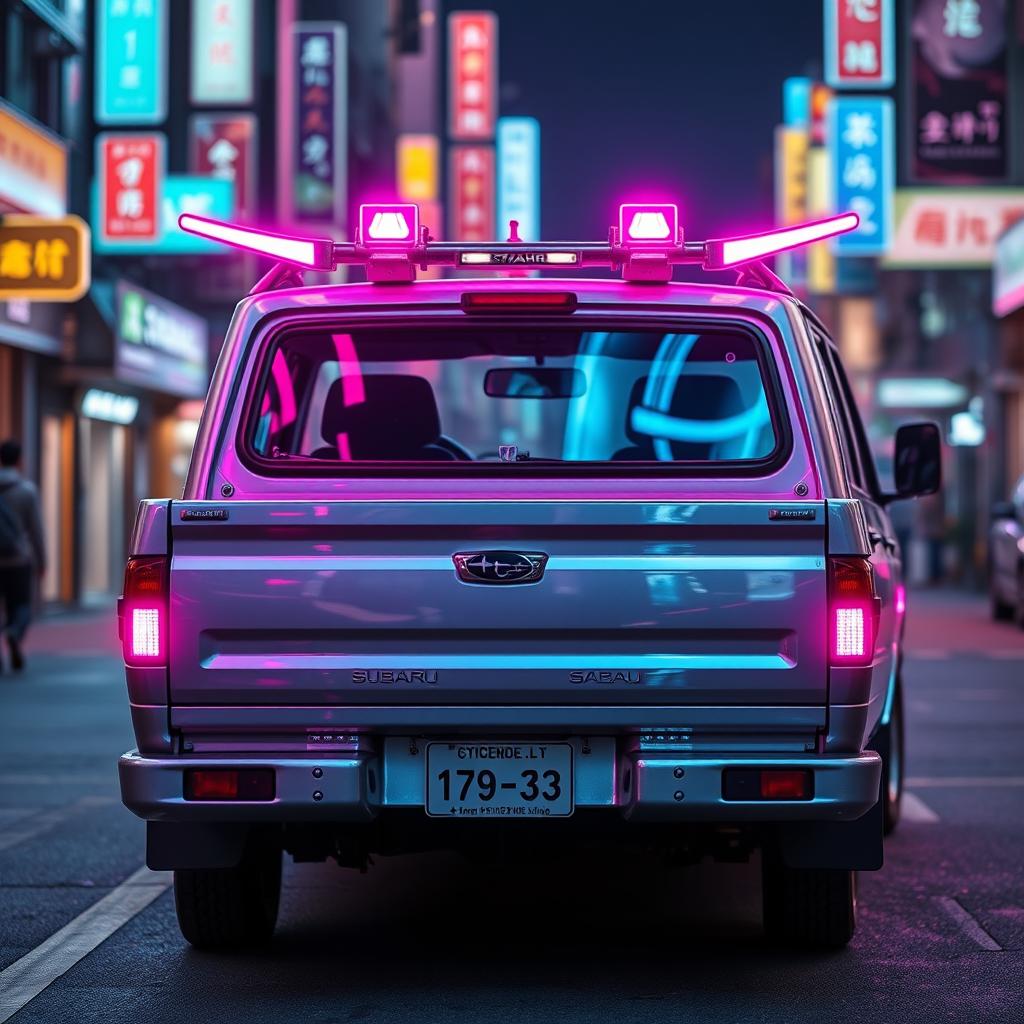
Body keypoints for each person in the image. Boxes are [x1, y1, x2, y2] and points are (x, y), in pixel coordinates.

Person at [0, 439, 46, 671]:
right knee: (21, 605)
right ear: (19, 460)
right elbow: (36, 530)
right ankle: (14, 632)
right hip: (18, 559)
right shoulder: (26, 491)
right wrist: (42, 560)